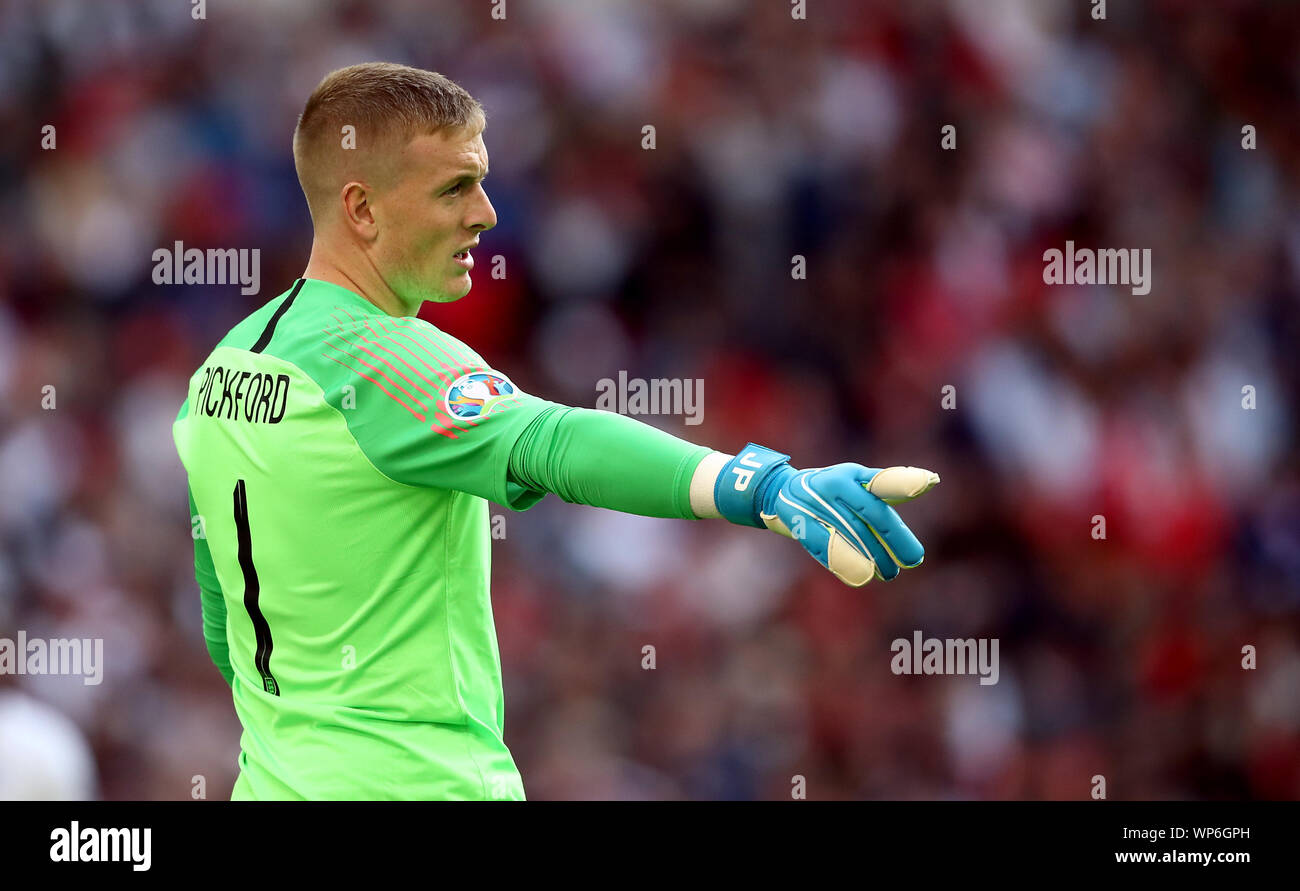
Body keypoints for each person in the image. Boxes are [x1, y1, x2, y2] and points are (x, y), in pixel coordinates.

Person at [172, 62, 939, 800]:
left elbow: (224, 630)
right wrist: (762, 485)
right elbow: (553, 443)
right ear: (363, 209)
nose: (486, 213)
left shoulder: (216, 375)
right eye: (455, 188)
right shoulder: (385, 362)